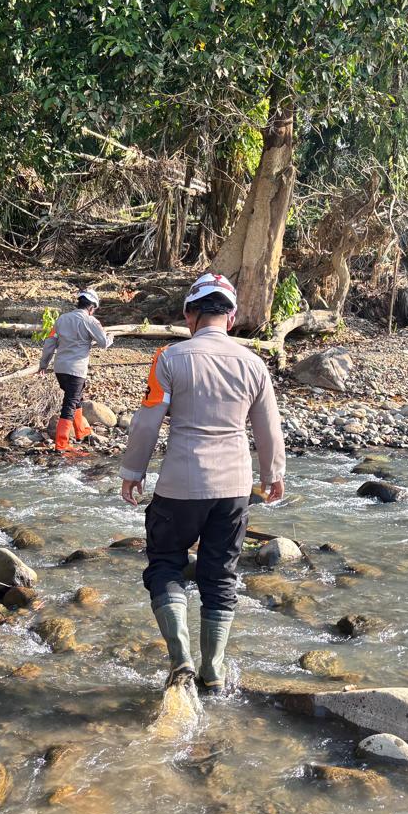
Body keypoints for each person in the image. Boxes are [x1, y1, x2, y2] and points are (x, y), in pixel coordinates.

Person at [119, 273, 286, 695]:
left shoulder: (170, 358)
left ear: (189, 314)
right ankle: (213, 670)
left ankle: (181, 662)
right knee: (220, 574)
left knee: (165, 563)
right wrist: (273, 475)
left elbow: (147, 421)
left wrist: (132, 471)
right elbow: (268, 428)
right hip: (234, 486)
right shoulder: (253, 364)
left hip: (180, 483)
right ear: (230, 317)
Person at [38, 289, 114, 451]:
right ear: (92, 307)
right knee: (70, 404)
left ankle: (82, 431)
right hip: (76, 370)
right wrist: (111, 337)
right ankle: (61, 445)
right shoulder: (90, 321)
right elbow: (103, 343)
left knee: (77, 398)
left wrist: (43, 364)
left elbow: (50, 343)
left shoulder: (61, 320)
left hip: (60, 369)